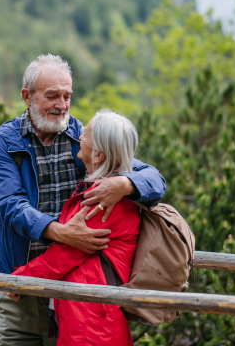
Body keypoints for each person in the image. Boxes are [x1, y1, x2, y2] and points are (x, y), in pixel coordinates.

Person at [0, 54, 166, 346]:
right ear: (27, 96)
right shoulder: (4, 142)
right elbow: (8, 205)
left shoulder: (85, 136)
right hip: (20, 284)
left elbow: (153, 178)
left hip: (71, 290)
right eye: (52, 95)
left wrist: (123, 182)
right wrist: (62, 233)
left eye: (67, 95)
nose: (62, 105)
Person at [10, 110, 141, 345]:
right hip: (90, 314)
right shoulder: (101, 190)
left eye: (87, 134)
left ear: (99, 154)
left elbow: (66, 253)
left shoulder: (105, 202)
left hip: (92, 320)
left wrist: (22, 278)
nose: (80, 136)